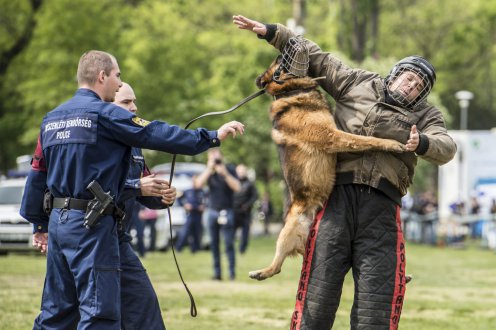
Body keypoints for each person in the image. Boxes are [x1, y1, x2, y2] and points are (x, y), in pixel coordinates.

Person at [233, 16, 457, 329]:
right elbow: (312, 54)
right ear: (395, 74)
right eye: (409, 78)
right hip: (335, 200)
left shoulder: (426, 115)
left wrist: (424, 142)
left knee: (375, 309)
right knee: (317, 296)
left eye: (419, 86)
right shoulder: (358, 81)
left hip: (382, 208)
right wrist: (273, 33)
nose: (412, 86)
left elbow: (447, 148)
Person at [19, 50, 245, 329]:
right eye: (117, 76)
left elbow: (38, 173)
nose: (118, 82)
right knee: (98, 314)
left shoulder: (51, 119)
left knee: (62, 314)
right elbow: (155, 133)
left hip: (64, 226)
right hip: (92, 228)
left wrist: (38, 223)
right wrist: (210, 137)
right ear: (102, 76)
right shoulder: (105, 114)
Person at [113, 81, 174, 329]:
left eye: (134, 101)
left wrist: (162, 195)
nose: (134, 108)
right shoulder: (95, 140)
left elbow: (143, 187)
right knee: (79, 313)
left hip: (119, 238)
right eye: (126, 102)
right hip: (89, 238)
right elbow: (90, 186)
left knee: (144, 307)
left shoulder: (134, 142)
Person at [195, 148, 240, 280]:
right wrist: (209, 169)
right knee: (214, 244)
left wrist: (224, 173)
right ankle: (217, 274)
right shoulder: (209, 172)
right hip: (211, 212)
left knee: (228, 244)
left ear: (222, 157)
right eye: (212, 158)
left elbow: (237, 187)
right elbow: (198, 184)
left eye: (217, 158)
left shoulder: (229, 169)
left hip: (227, 211)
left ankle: (232, 274)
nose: (215, 160)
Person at [175, 175, 206, 253]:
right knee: (185, 232)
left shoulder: (202, 191)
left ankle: (195, 249)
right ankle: (179, 248)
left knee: (197, 232)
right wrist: (184, 205)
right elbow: (179, 199)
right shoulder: (188, 191)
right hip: (190, 214)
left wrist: (204, 207)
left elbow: (207, 202)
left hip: (198, 214)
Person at [233, 164, 258, 253]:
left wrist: (247, 205)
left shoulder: (250, 184)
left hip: (245, 212)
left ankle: (242, 249)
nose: (241, 173)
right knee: (231, 232)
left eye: (242, 171)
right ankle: (230, 248)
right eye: (239, 171)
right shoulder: (232, 181)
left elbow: (255, 196)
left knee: (245, 233)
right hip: (234, 211)